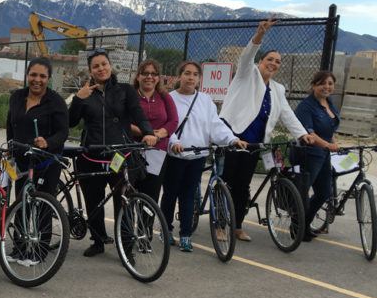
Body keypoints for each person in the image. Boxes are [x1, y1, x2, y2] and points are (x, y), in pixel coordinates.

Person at [220, 15, 315, 242]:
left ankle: (237, 225)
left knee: (242, 187)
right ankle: (220, 224)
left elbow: (287, 114)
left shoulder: (278, 89)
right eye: (269, 59)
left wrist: (302, 134)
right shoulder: (246, 74)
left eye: (278, 61)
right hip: (233, 135)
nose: (273, 63)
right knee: (226, 183)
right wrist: (260, 34)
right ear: (260, 62)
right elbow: (247, 56)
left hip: (255, 143)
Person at [68, 48, 157, 257]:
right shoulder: (85, 93)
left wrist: (149, 133)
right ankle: (98, 241)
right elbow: (70, 122)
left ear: (110, 65)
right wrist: (78, 99)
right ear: (90, 70)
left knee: (123, 202)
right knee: (94, 201)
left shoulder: (125, 90)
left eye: (104, 64)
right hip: (91, 155)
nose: (101, 68)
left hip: (120, 155)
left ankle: (125, 248)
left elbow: (139, 115)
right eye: (96, 66)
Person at [160, 61, 247, 252]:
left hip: (197, 155)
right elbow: (167, 125)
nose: (191, 78)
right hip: (176, 156)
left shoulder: (205, 100)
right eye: (187, 73)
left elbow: (215, 125)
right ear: (180, 76)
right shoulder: (169, 98)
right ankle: (166, 230)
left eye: (195, 75)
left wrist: (232, 139)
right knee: (170, 194)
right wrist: (174, 143)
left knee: (188, 195)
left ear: (199, 79)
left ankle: (185, 235)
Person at [6, 57, 68, 199]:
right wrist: (11, 147)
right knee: (21, 206)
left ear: (49, 79)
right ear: (27, 75)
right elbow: (10, 123)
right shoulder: (16, 97)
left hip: (46, 163)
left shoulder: (57, 101)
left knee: (43, 212)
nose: (37, 79)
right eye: (33, 74)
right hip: (21, 163)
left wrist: (47, 142)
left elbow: (63, 132)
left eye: (42, 76)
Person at [292, 71, 341, 241]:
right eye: (322, 83)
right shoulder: (306, 106)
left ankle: (305, 222)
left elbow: (330, 128)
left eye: (330, 83)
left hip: (324, 154)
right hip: (309, 154)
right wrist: (328, 145)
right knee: (303, 192)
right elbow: (309, 133)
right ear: (313, 85)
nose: (327, 87)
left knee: (324, 192)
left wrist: (333, 143)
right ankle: (297, 226)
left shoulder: (329, 102)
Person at [130, 59, 179, 202]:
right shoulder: (130, 96)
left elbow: (173, 121)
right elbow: (123, 122)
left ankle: (146, 225)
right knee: (129, 194)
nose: (149, 77)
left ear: (159, 78)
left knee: (151, 196)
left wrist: (159, 134)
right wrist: (146, 133)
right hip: (132, 151)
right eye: (145, 73)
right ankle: (125, 224)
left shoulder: (164, 97)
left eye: (154, 74)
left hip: (157, 153)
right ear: (138, 76)